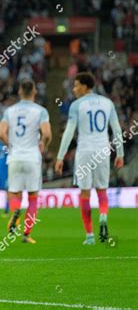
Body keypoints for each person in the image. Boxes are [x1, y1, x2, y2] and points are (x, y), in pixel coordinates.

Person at [55, 72, 124, 245]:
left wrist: (60, 156)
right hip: (103, 150)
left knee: (84, 193)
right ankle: (103, 217)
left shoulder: (77, 105)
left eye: (76, 85)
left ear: (85, 86)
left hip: (85, 151)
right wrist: (120, 153)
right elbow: (116, 129)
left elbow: (69, 132)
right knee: (102, 190)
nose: (74, 88)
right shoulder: (108, 103)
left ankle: (90, 235)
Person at [0, 80, 52, 244]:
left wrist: (11, 145)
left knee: (14, 193)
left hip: (15, 156)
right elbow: (47, 134)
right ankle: (26, 234)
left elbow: (0, 132)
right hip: (32, 157)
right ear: (34, 91)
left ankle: (15, 212)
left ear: (20, 91)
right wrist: (44, 145)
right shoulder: (41, 111)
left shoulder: (10, 111)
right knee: (33, 196)